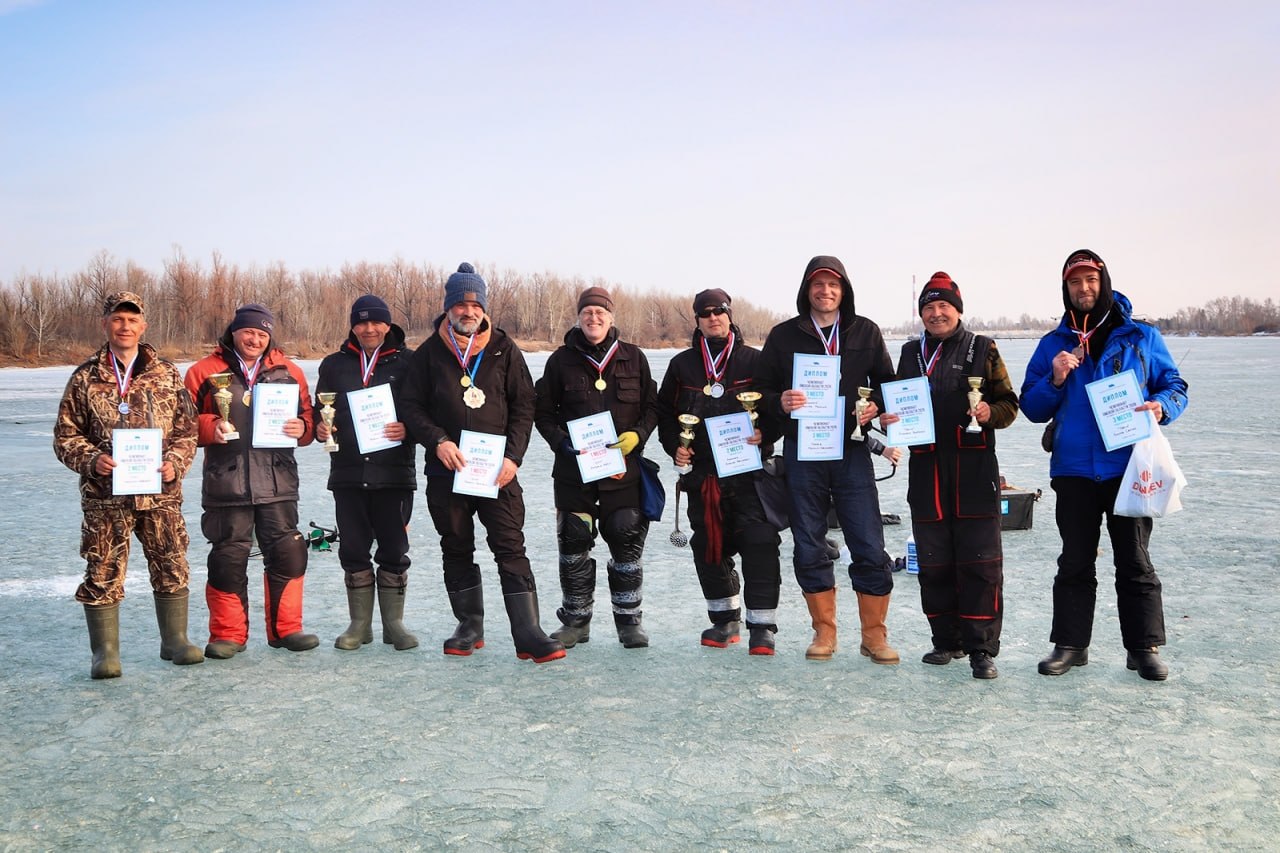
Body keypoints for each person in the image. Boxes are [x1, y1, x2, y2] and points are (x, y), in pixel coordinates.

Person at [1021, 249, 1188, 681]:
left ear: (1104, 283)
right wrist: (1055, 378)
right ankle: (1071, 645)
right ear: (1066, 289)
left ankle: (1143, 648)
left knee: (1134, 560)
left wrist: (1162, 406)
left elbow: (1175, 385)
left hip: (1127, 468)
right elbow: (1032, 407)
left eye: (1091, 280)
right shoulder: (1052, 344)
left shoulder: (1139, 336)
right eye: (1075, 282)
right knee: (1075, 561)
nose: (1084, 288)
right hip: (1073, 469)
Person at [400, 262, 564, 663]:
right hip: (447, 471)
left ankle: (528, 632)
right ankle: (469, 626)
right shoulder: (428, 354)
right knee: (455, 546)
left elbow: (524, 407)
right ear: (448, 308)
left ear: (485, 309)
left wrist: (514, 457)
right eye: (461, 304)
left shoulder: (505, 350)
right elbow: (411, 406)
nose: (468, 311)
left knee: (510, 546)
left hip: (497, 473)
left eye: (475, 305)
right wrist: (437, 441)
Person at [757, 255, 899, 663]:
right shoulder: (783, 335)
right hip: (803, 452)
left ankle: (874, 635)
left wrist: (876, 406)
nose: (825, 291)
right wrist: (779, 401)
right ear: (807, 290)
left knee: (868, 542)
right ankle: (824, 632)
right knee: (808, 543)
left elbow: (886, 384)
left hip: (852, 451)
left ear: (844, 290)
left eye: (833, 285)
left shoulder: (865, 331)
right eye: (818, 285)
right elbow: (762, 390)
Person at [54, 291, 204, 678]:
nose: (125, 326)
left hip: (160, 495)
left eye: (132, 320)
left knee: (171, 563)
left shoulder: (166, 374)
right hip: (105, 497)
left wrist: (174, 463)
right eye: (118, 319)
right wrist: (92, 460)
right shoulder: (84, 377)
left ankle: (175, 641)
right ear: (105, 324)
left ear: (143, 326)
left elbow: (187, 430)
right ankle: (105, 653)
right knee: (102, 569)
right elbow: (65, 436)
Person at [888, 272, 1018, 679]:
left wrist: (989, 412)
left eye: (944, 305)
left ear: (957, 310)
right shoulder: (910, 352)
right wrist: (889, 417)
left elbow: (1010, 405)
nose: (936, 313)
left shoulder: (983, 348)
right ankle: (946, 640)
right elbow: (897, 403)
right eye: (929, 307)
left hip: (974, 468)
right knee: (934, 561)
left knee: (981, 561)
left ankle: (981, 648)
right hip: (926, 469)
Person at [185, 303, 319, 657]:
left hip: (278, 480)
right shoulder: (203, 371)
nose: (254, 339)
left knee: (289, 551)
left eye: (262, 334)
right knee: (228, 557)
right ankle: (228, 634)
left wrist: (303, 427)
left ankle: (287, 630)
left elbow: (308, 420)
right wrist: (211, 426)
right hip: (227, 482)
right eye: (248, 332)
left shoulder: (289, 371)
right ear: (234, 332)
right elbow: (181, 422)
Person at [655, 288, 783, 654]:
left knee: (759, 540)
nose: (713, 318)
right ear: (697, 320)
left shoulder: (755, 361)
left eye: (719, 311)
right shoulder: (682, 365)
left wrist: (766, 433)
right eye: (706, 313)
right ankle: (725, 620)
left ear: (730, 315)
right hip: (704, 474)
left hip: (750, 474)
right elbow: (665, 413)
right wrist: (675, 446)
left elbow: (775, 406)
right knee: (708, 544)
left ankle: (762, 626)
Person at [534, 286, 659, 649]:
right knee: (573, 540)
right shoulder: (560, 361)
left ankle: (629, 621)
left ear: (611, 317)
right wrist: (561, 442)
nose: (594, 318)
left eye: (600, 312)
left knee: (625, 536)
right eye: (587, 312)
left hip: (623, 471)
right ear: (578, 318)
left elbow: (653, 407)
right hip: (574, 472)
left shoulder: (634, 358)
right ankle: (576, 621)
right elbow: (543, 413)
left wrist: (638, 436)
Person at [315, 295, 418, 652]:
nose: (368, 328)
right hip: (347, 473)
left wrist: (409, 429)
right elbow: (320, 409)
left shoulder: (409, 363)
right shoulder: (334, 365)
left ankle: (394, 624)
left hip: (394, 474)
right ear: (353, 326)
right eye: (361, 322)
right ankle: (359, 625)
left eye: (376, 322)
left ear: (388, 325)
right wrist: (320, 427)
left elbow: (424, 410)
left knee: (394, 549)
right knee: (354, 548)